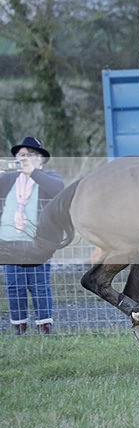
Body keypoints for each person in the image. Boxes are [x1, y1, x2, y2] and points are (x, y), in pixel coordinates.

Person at [0, 137, 64, 335]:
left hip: (38, 242)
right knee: (14, 285)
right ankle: (19, 327)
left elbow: (59, 189)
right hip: (9, 241)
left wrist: (33, 173)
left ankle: (44, 326)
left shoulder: (48, 177)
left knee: (39, 284)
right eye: (21, 155)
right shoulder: (9, 178)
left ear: (40, 159)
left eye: (30, 154)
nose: (24, 158)